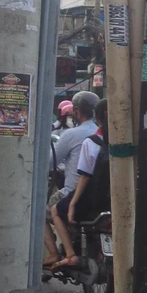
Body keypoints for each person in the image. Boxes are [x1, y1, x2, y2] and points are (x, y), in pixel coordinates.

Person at [43, 91, 99, 268]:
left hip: (75, 193)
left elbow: (51, 163)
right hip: (100, 193)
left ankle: (55, 253)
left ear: (77, 111)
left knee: (36, 212)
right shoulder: (103, 135)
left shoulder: (72, 134)